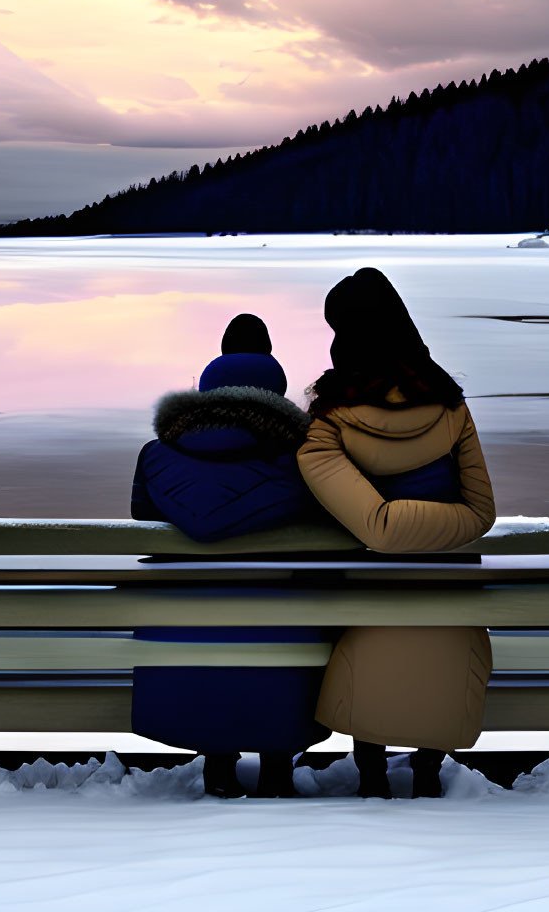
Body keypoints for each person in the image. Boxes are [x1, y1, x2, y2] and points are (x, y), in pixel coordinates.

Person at [297, 268, 496, 798]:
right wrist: (448, 524)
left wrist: (394, 520)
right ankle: (428, 773)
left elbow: (379, 529)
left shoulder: (327, 424)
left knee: (369, 640)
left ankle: (373, 779)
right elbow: (481, 512)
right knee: (436, 642)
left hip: (371, 601)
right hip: (452, 597)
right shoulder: (453, 407)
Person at [129, 313, 330, 797]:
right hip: (286, 640)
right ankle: (276, 766)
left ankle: (218, 764)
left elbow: (142, 516)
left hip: (185, 636)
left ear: (208, 382)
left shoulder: (157, 454)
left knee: (205, 607)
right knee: (297, 607)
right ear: (275, 387)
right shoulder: (304, 456)